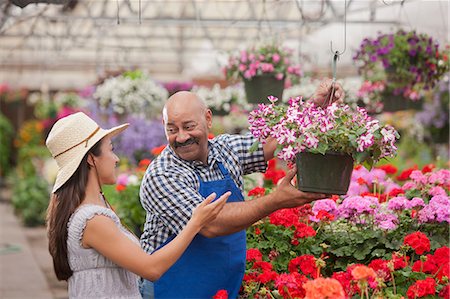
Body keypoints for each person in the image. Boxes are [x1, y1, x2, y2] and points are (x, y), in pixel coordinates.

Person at [139, 79, 345, 298]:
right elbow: (210, 224)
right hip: (172, 286)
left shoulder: (224, 149)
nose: (181, 137)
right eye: (172, 129)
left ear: (208, 119)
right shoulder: (162, 174)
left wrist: (315, 106)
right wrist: (276, 200)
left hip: (220, 283)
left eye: (189, 127)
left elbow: (270, 144)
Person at [45, 112, 229, 299]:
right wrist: (196, 223)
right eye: (111, 149)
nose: (116, 158)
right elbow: (151, 268)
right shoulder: (93, 220)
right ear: (91, 159)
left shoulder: (91, 210)